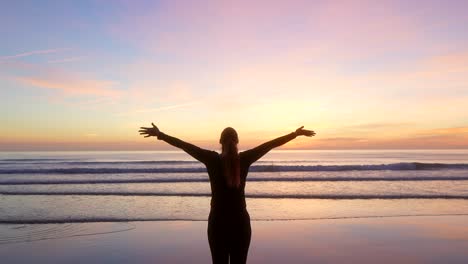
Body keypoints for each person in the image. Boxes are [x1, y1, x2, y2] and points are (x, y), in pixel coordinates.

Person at [139, 124, 315, 264]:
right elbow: (270, 145)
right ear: (237, 141)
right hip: (240, 223)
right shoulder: (245, 158)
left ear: (220, 141)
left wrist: (160, 134)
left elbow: (185, 146)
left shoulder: (211, 159)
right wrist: (295, 134)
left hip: (218, 223)